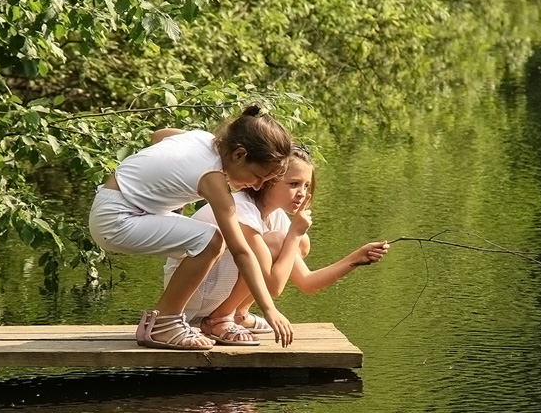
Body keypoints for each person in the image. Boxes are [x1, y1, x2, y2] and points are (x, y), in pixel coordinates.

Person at [89, 104, 295, 350]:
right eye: (258, 176)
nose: (258, 186)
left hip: (114, 206)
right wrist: (270, 309)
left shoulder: (203, 138)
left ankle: (210, 317)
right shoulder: (212, 177)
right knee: (211, 240)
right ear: (239, 154)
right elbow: (241, 252)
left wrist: (166, 192)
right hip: (117, 218)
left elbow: (159, 136)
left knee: (206, 238)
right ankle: (164, 324)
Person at [164, 145, 389, 344]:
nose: (302, 193)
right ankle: (219, 318)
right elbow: (274, 286)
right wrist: (293, 234)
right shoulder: (240, 208)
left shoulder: (275, 216)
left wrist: (356, 259)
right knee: (281, 241)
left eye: (306, 185)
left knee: (298, 243)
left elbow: (308, 284)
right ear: (267, 181)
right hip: (193, 299)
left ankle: (238, 312)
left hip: (214, 291)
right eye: (293, 184)